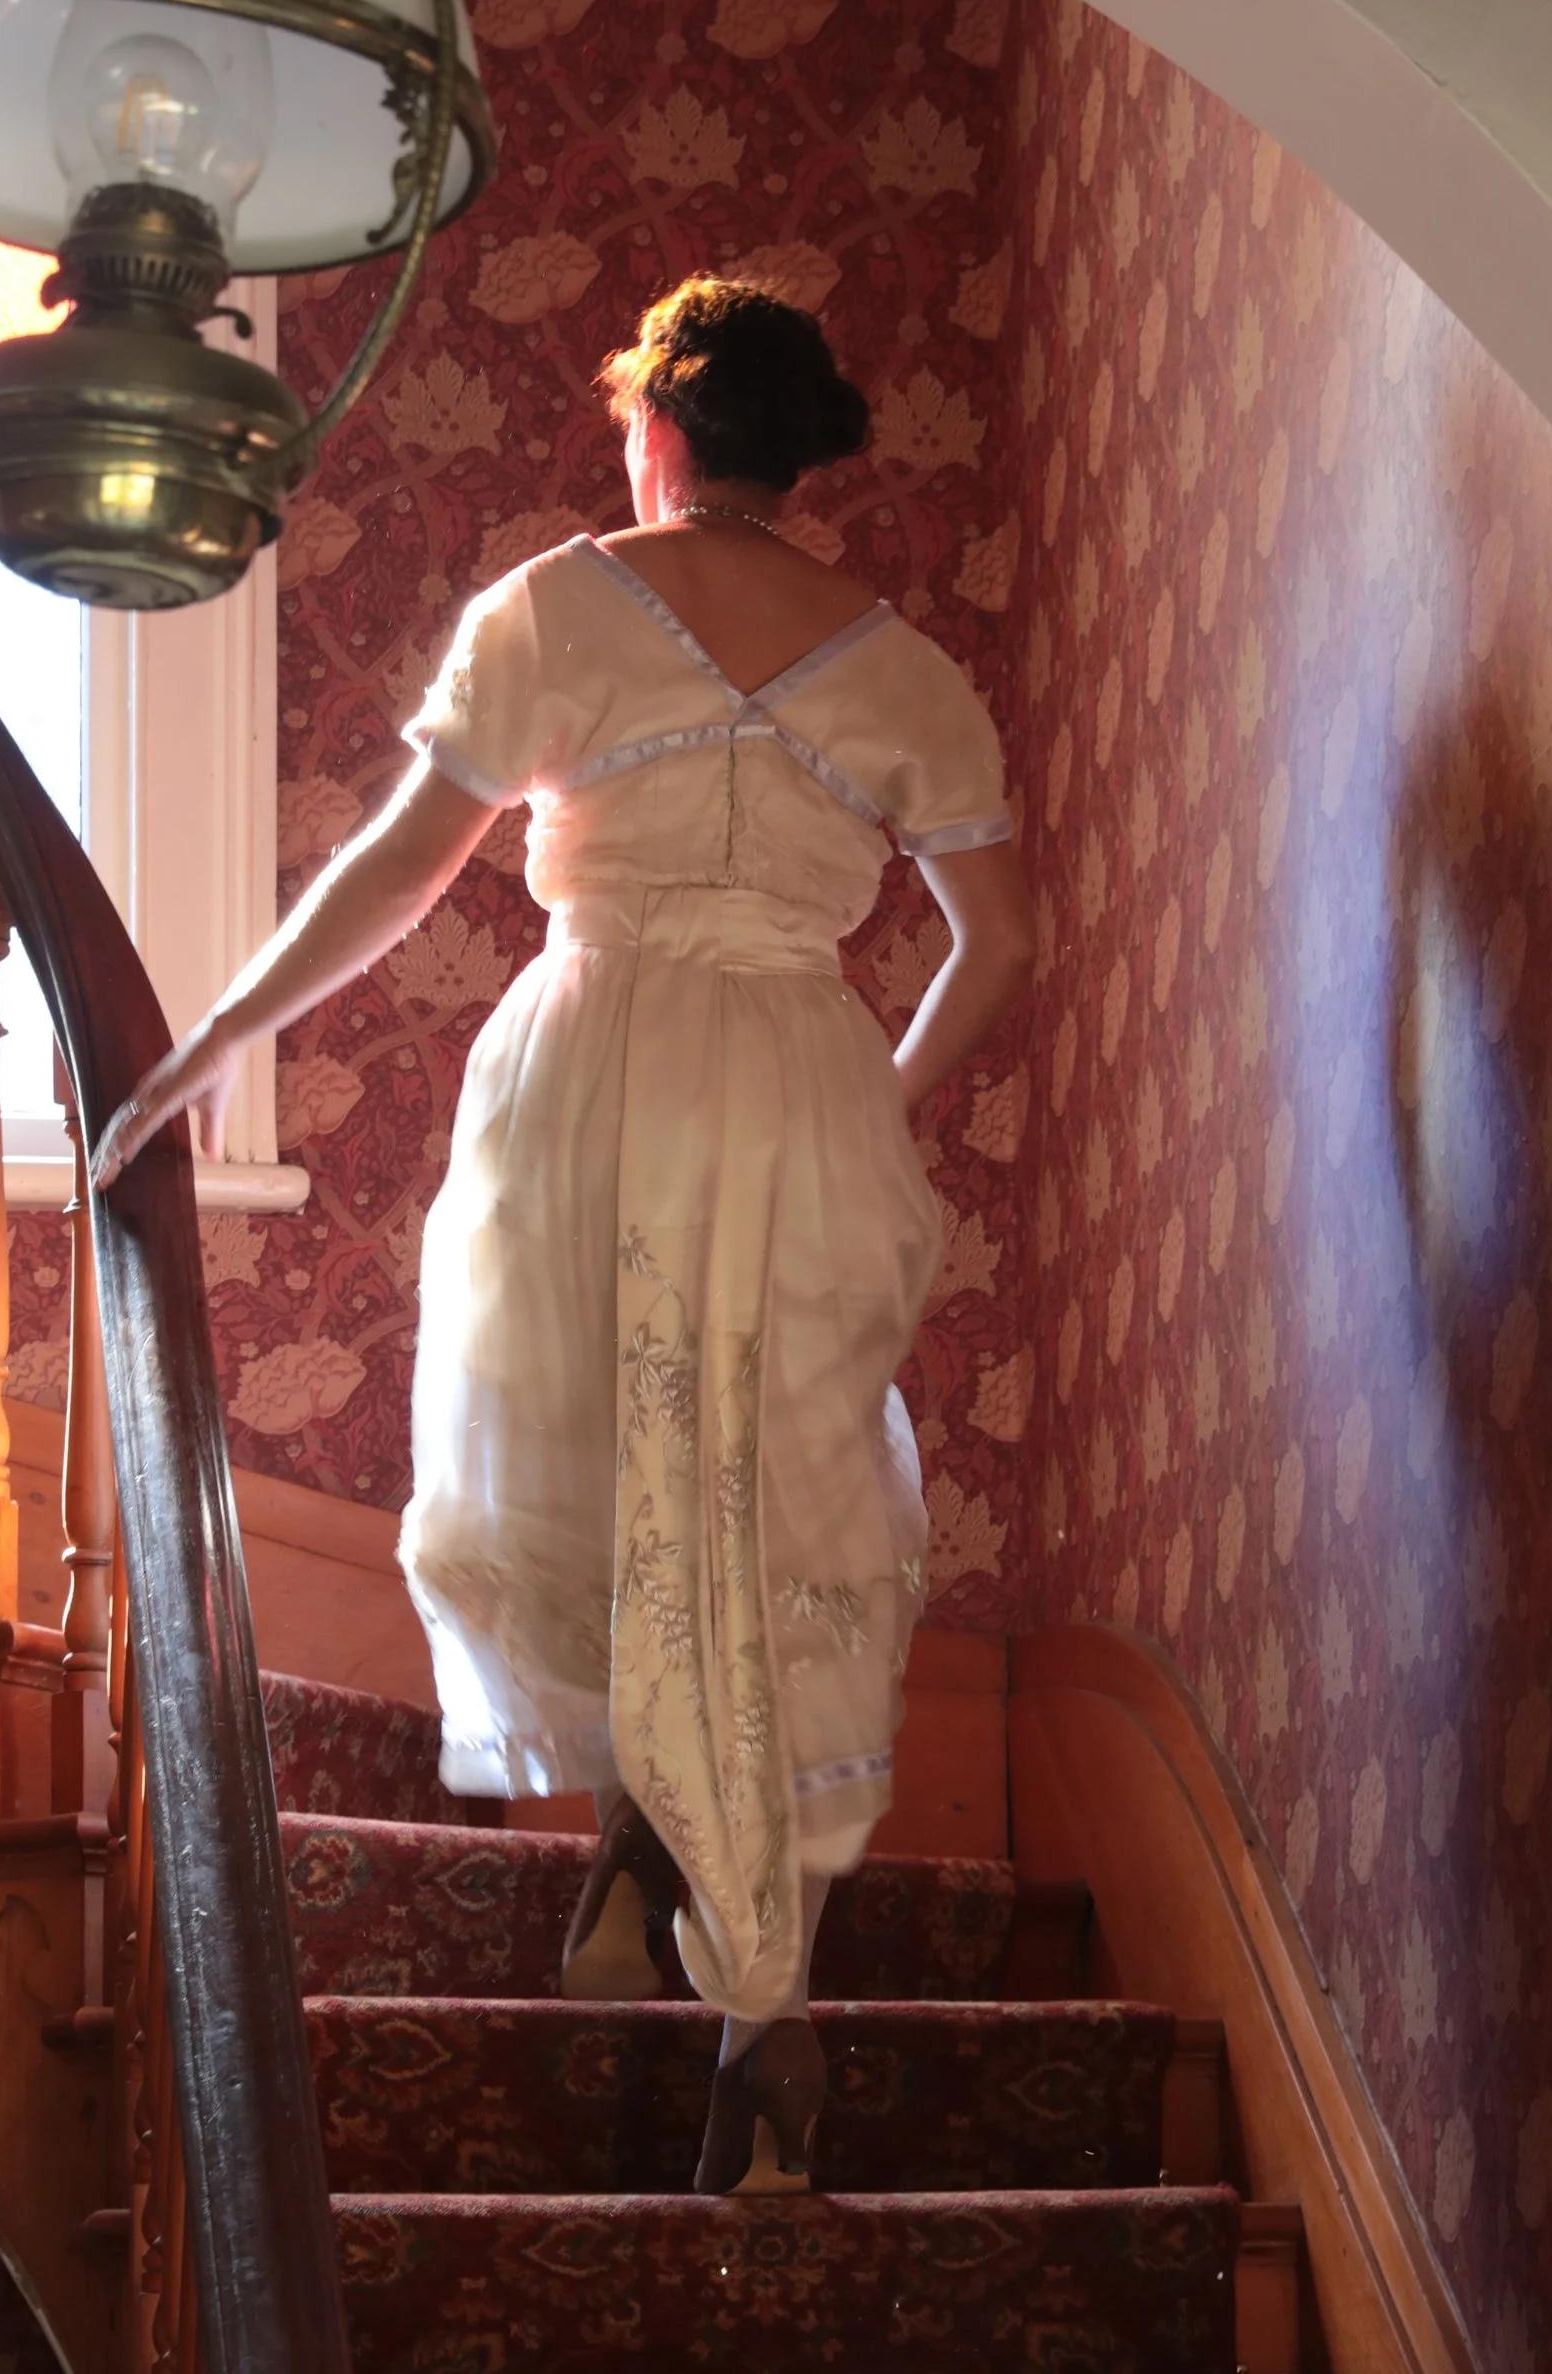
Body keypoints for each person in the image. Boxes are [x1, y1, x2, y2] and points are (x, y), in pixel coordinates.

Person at [94, 277, 1036, 2193]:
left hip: (593, 1060)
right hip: (795, 1075)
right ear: (796, 450)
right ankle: (741, 1988)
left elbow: (393, 870)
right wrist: (883, 1101)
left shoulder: (557, 607)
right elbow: (1000, 945)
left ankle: (643, 1853)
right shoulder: (911, 674)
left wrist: (207, 1048)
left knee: (600, 1460)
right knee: (762, 1500)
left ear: (659, 438)